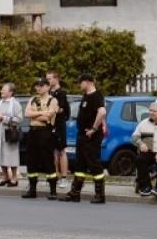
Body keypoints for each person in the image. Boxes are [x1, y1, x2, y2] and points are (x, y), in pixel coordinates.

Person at [64, 73, 108, 204]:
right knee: (80, 164)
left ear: (88, 82)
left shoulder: (96, 95)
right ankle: (75, 193)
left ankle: (100, 195)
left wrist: (94, 128)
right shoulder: (85, 96)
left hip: (91, 135)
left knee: (94, 163)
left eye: (81, 82)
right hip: (82, 134)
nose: (79, 85)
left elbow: (102, 112)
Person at [21, 78, 61, 199]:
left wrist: (35, 115)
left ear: (48, 87)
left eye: (41, 85)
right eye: (37, 86)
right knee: (31, 161)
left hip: (45, 133)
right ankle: (32, 190)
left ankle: (53, 191)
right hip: (33, 132)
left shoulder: (53, 100)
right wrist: (40, 114)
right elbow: (26, 114)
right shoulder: (33, 99)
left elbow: (48, 117)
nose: (38, 88)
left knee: (48, 161)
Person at [0, 82, 23, 187]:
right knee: (1, 156)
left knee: (11, 156)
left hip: (9, 134)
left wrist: (4, 118)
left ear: (11, 92)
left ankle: (14, 178)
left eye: (4, 90)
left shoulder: (15, 104)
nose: (1, 91)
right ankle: (5, 176)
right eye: (2, 89)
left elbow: (19, 119)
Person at [45, 70, 72, 180]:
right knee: (52, 151)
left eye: (49, 79)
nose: (47, 81)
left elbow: (60, 108)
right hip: (49, 125)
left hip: (59, 125)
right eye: (47, 79)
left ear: (56, 79)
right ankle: (55, 176)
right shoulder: (48, 93)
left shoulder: (61, 93)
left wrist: (49, 111)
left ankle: (64, 177)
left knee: (61, 150)